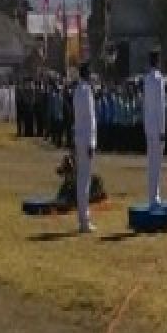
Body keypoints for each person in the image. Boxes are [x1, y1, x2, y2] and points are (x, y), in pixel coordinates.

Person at [73, 63, 97, 234]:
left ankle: (82, 217)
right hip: (85, 139)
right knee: (84, 180)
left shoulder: (76, 90)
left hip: (78, 138)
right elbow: (89, 119)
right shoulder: (86, 91)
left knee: (81, 179)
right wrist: (91, 142)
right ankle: (84, 220)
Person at [143, 48, 167, 207]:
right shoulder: (159, 80)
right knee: (157, 163)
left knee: (151, 162)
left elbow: (146, 105)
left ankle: (152, 195)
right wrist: (162, 129)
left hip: (149, 125)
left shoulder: (146, 79)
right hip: (157, 126)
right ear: (158, 61)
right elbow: (160, 107)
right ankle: (155, 196)